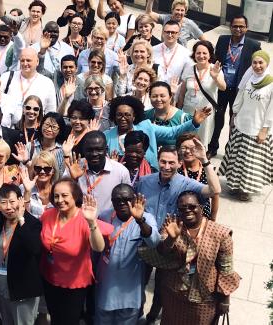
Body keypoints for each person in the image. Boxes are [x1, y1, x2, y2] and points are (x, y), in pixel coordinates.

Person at [152, 191, 240, 324]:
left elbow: (226, 270)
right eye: (182, 208)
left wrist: (225, 300)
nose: (187, 210)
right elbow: (161, 252)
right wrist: (171, 239)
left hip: (203, 300)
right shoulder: (172, 225)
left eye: (192, 206)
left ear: (202, 207)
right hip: (173, 295)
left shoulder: (221, 234)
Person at [39, 179, 106, 325]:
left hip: (74, 284)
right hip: (50, 279)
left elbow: (98, 247)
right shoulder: (48, 215)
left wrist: (92, 222)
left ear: (75, 196)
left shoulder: (84, 218)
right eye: (56, 196)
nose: (60, 200)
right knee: (55, 319)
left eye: (64, 195)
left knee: (69, 321)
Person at [95, 185, 159, 325]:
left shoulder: (145, 217)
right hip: (105, 287)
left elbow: (154, 242)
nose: (122, 203)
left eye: (127, 199)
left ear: (135, 199)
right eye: (117, 200)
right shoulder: (105, 216)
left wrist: (140, 220)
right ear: (112, 201)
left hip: (130, 291)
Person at [219, 50, 273, 201]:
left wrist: (264, 129)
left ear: (266, 63)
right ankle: (235, 185)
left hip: (257, 128)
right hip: (242, 124)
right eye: (254, 63)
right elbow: (240, 97)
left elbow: (271, 110)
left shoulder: (271, 84)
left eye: (260, 62)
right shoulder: (249, 79)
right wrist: (234, 115)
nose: (257, 66)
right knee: (237, 158)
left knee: (250, 162)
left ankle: (246, 190)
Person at [104, 95, 209, 168]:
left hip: (149, 175)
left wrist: (194, 122)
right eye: (119, 115)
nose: (123, 118)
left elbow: (173, 132)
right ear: (114, 115)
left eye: (127, 115)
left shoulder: (147, 127)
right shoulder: (107, 136)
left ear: (134, 116)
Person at [209, 14, 262, 158]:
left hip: (239, 90)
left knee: (235, 121)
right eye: (235, 26)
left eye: (241, 26)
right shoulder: (222, 40)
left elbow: (257, 66)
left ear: (247, 28)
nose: (238, 29)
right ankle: (212, 147)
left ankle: (229, 151)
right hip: (222, 87)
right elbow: (215, 60)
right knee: (217, 119)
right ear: (230, 27)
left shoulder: (253, 45)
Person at [0, 184, 43, 324]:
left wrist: (21, 220)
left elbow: (34, 248)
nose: (8, 207)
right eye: (3, 202)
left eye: (12, 201)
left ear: (20, 201)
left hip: (22, 291)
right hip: (2, 287)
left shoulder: (32, 223)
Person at [65, 131, 130, 214]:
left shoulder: (121, 172)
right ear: (83, 151)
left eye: (98, 150)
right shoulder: (74, 168)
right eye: (89, 150)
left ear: (106, 150)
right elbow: (63, 195)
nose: (94, 154)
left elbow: (127, 201)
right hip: (81, 221)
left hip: (108, 223)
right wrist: (74, 179)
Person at [177, 41, 226, 147]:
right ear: (194, 54)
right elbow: (182, 94)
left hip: (205, 113)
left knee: (201, 142)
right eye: (198, 53)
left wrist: (215, 77)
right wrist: (178, 112)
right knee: (186, 140)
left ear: (210, 55)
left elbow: (223, 87)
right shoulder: (189, 69)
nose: (201, 56)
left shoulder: (215, 69)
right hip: (188, 111)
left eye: (205, 53)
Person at [0, 48, 57, 115]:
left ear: (37, 61)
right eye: (22, 60)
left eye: (28, 60)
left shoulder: (47, 83)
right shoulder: (6, 77)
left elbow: (50, 111)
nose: (25, 63)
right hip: (10, 124)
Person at [176, 132, 218, 220]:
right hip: (181, 215)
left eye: (192, 148)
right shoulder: (176, 170)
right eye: (184, 148)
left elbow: (215, 196)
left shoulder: (208, 170)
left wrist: (213, 219)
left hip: (203, 217)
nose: (187, 151)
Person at [145, 81, 193, 146]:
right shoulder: (145, 116)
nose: (158, 99)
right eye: (154, 96)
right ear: (149, 97)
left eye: (162, 96)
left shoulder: (184, 118)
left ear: (170, 97)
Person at [21, 151, 59, 218]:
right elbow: (21, 216)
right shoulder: (23, 188)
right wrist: (27, 192)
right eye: (38, 168)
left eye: (47, 169)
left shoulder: (59, 190)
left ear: (53, 171)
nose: (42, 172)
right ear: (33, 170)